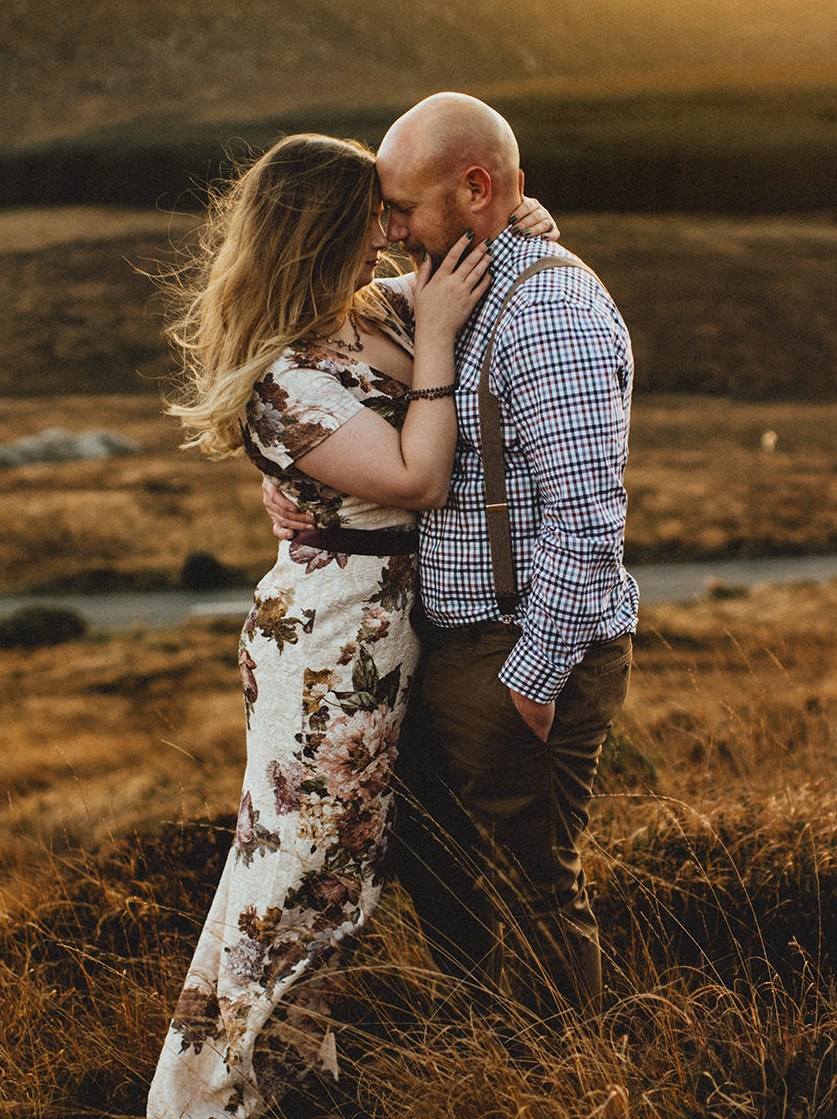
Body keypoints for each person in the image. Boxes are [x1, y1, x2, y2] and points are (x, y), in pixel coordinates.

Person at [145, 132, 556, 1118]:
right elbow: (416, 476)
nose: (391, 228)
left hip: (394, 626)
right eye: (372, 214)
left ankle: (291, 1077)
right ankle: (215, 1096)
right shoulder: (281, 383)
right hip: (333, 644)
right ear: (321, 231)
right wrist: (446, 339)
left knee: (352, 863)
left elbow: (476, 266)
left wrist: (521, 225)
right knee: (300, 867)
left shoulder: (369, 307)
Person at [267, 93, 637, 1019]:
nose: (386, 233)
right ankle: (484, 1050)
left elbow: (586, 518)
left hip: (514, 650)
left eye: (400, 208)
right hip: (452, 645)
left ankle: (566, 1081)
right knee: (439, 869)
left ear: (474, 189)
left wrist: (534, 681)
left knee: (536, 892)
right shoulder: (455, 283)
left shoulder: (549, 306)